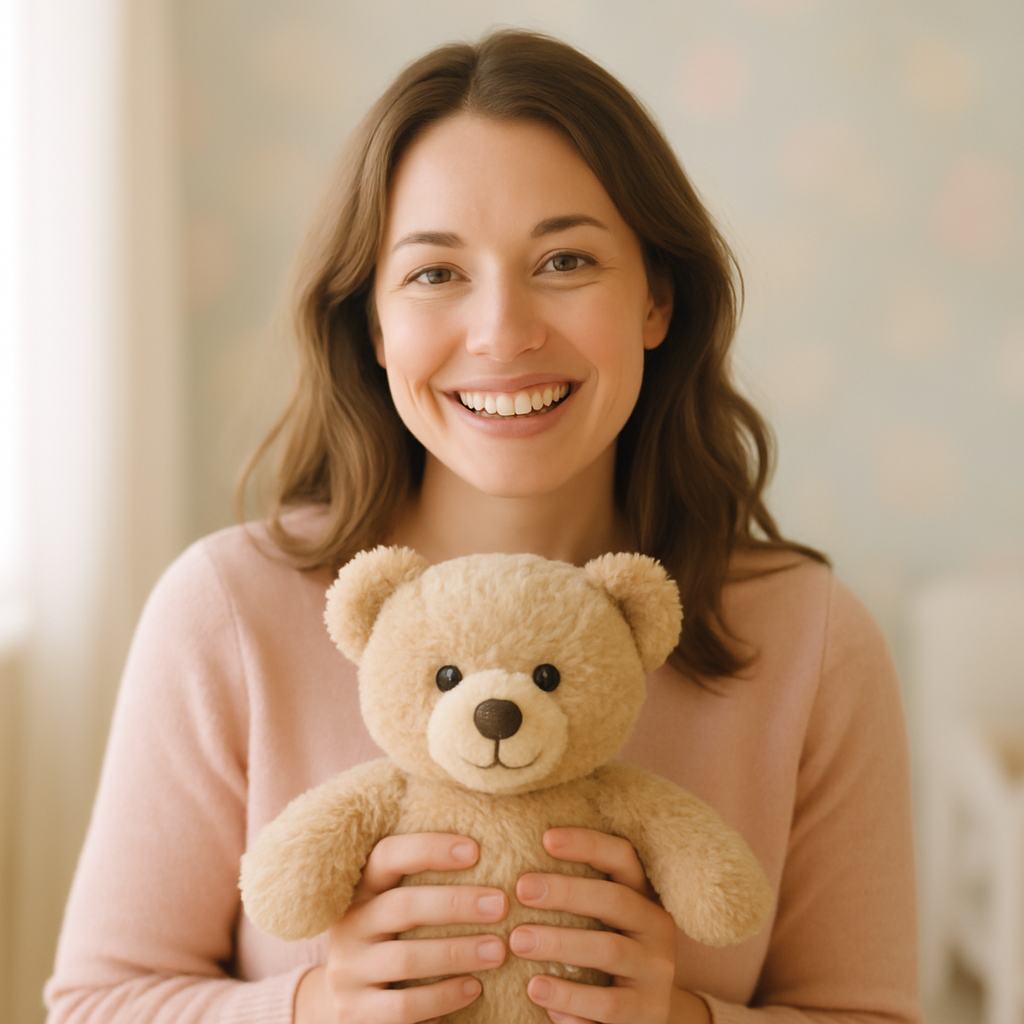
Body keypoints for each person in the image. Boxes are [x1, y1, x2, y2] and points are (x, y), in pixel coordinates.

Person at [45, 29, 921, 1024]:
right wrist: (314, 1006)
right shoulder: (227, 610)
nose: (503, 331)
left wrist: (681, 1017)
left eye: (565, 259)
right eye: (435, 273)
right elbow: (94, 1005)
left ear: (657, 299)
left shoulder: (808, 638)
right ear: (374, 326)